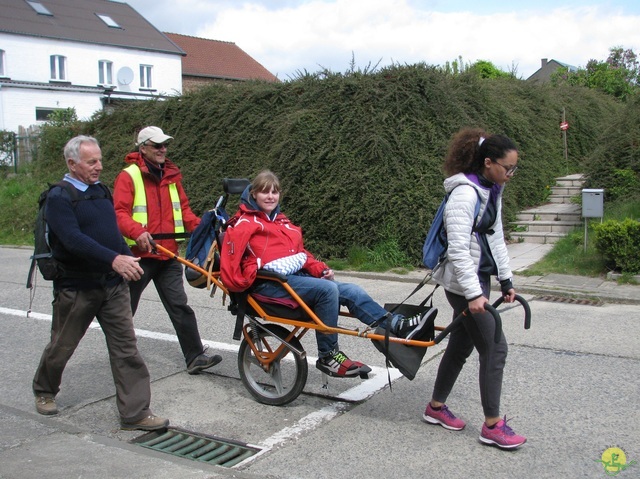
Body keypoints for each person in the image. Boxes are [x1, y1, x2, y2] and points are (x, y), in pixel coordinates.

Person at [220, 170, 432, 378]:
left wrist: (320, 269)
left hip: (293, 280)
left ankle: (396, 324)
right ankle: (328, 355)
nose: (270, 196)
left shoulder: (283, 223)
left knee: (351, 290)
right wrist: (247, 279)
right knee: (328, 290)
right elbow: (230, 267)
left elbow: (301, 255)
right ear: (254, 194)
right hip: (268, 285)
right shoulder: (244, 224)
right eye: (265, 192)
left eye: (274, 192)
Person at [32, 135, 168, 431]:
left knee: (126, 349)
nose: (99, 166)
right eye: (92, 162)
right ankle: (44, 390)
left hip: (112, 286)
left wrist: (127, 256)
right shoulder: (59, 197)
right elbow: (73, 241)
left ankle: (135, 414)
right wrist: (114, 260)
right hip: (77, 287)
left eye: (100, 160)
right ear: (72, 163)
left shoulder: (101, 191)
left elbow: (111, 233)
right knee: (62, 346)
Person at [422, 128, 526, 449]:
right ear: (488, 162)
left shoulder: (492, 189)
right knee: (495, 346)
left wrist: (505, 280)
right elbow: (456, 249)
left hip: (477, 280)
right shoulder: (465, 194)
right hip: (461, 283)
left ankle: (435, 408)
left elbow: (494, 235)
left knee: (461, 345)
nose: (511, 174)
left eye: (514, 169)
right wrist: (473, 294)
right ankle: (492, 426)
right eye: (507, 168)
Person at [114, 126, 222, 375]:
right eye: (157, 145)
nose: (163, 149)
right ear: (142, 148)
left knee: (179, 306)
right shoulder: (128, 176)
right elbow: (118, 213)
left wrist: (203, 228)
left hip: (167, 254)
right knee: (123, 311)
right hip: (138, 257)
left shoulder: (171, 176)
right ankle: (122, 363)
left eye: (165, 145)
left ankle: (195, 356)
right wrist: (137, 232)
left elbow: (182, 212)